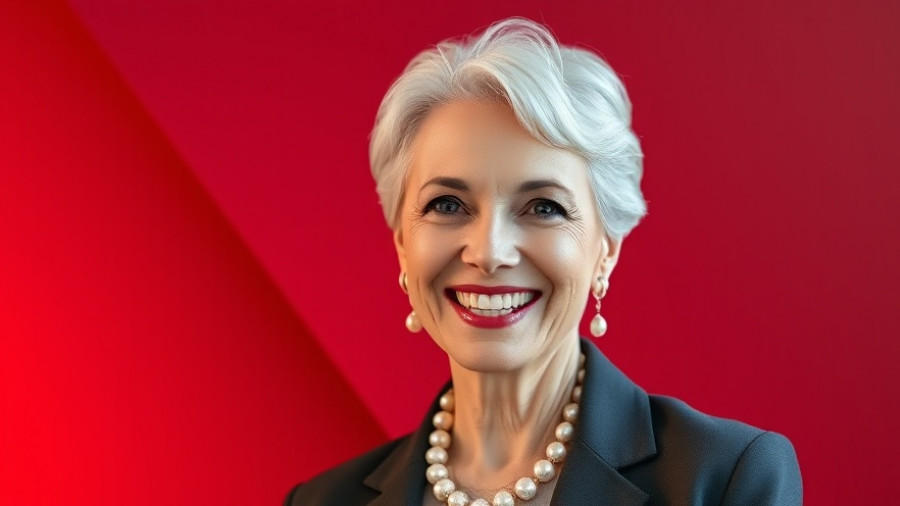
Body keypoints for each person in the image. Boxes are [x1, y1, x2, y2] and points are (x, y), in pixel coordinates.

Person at [285, 17, 802, 506]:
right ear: (403, 243)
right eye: (447, 205)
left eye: (543, 208)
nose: (488, 252)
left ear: (606, 250)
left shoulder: (726, 480)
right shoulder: (322, 500)